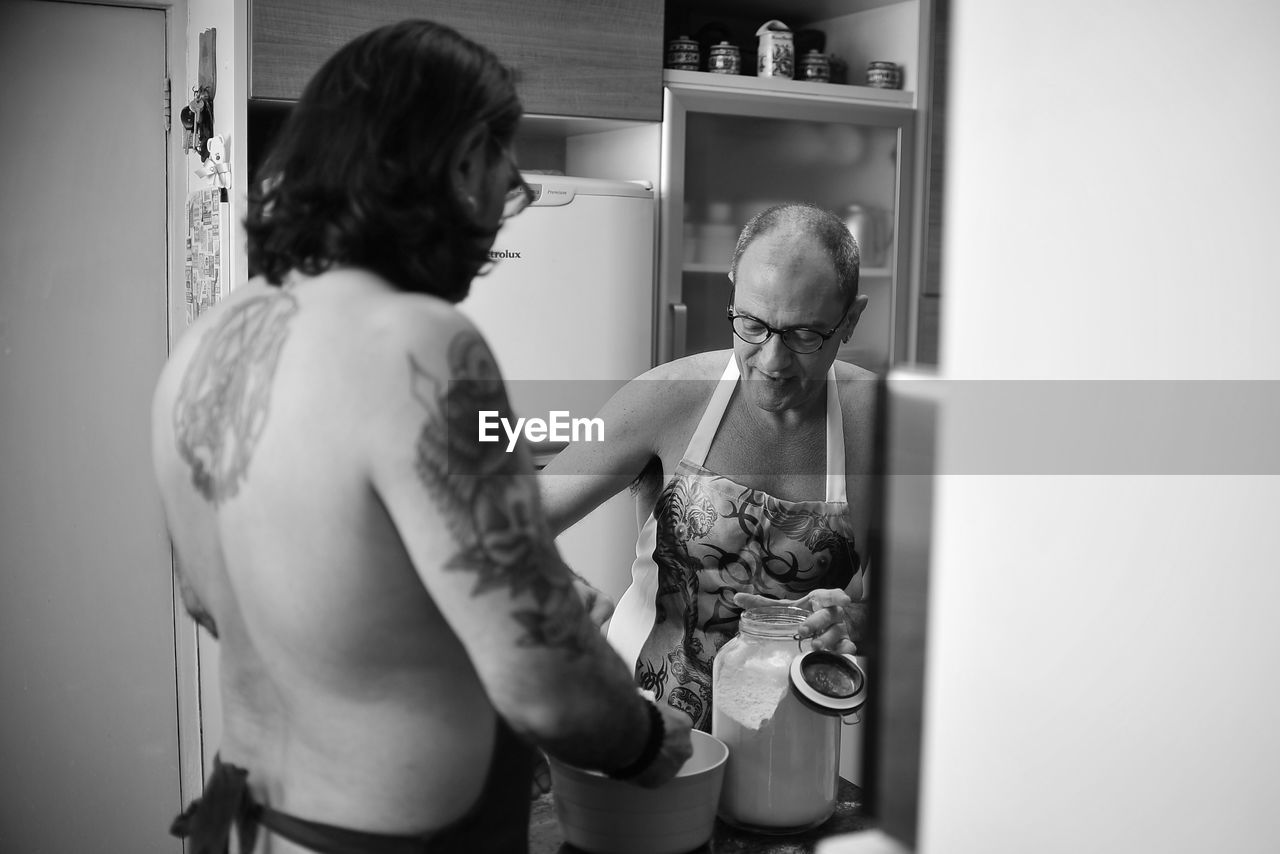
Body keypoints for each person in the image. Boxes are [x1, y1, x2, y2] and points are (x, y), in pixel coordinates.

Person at [151, 19, 691, 854]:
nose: (519, 189)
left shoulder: (207, 342)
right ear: (454, 163)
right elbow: (550, 693)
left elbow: (217, 595)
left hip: (246, 822)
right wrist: (648, 739)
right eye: (499, 156)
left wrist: (460, 603)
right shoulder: (427, 348)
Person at [539, 203, 876, 731]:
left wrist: (856, 619)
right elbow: (507, 518)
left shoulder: (878, 421)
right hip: (641, 732)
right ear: (733, 293)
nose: (772, 362)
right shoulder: (668, 398)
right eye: (752, 325)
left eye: (805, 335)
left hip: (793, 740)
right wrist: (557, 584)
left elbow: (929, 606)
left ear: (850, 320)